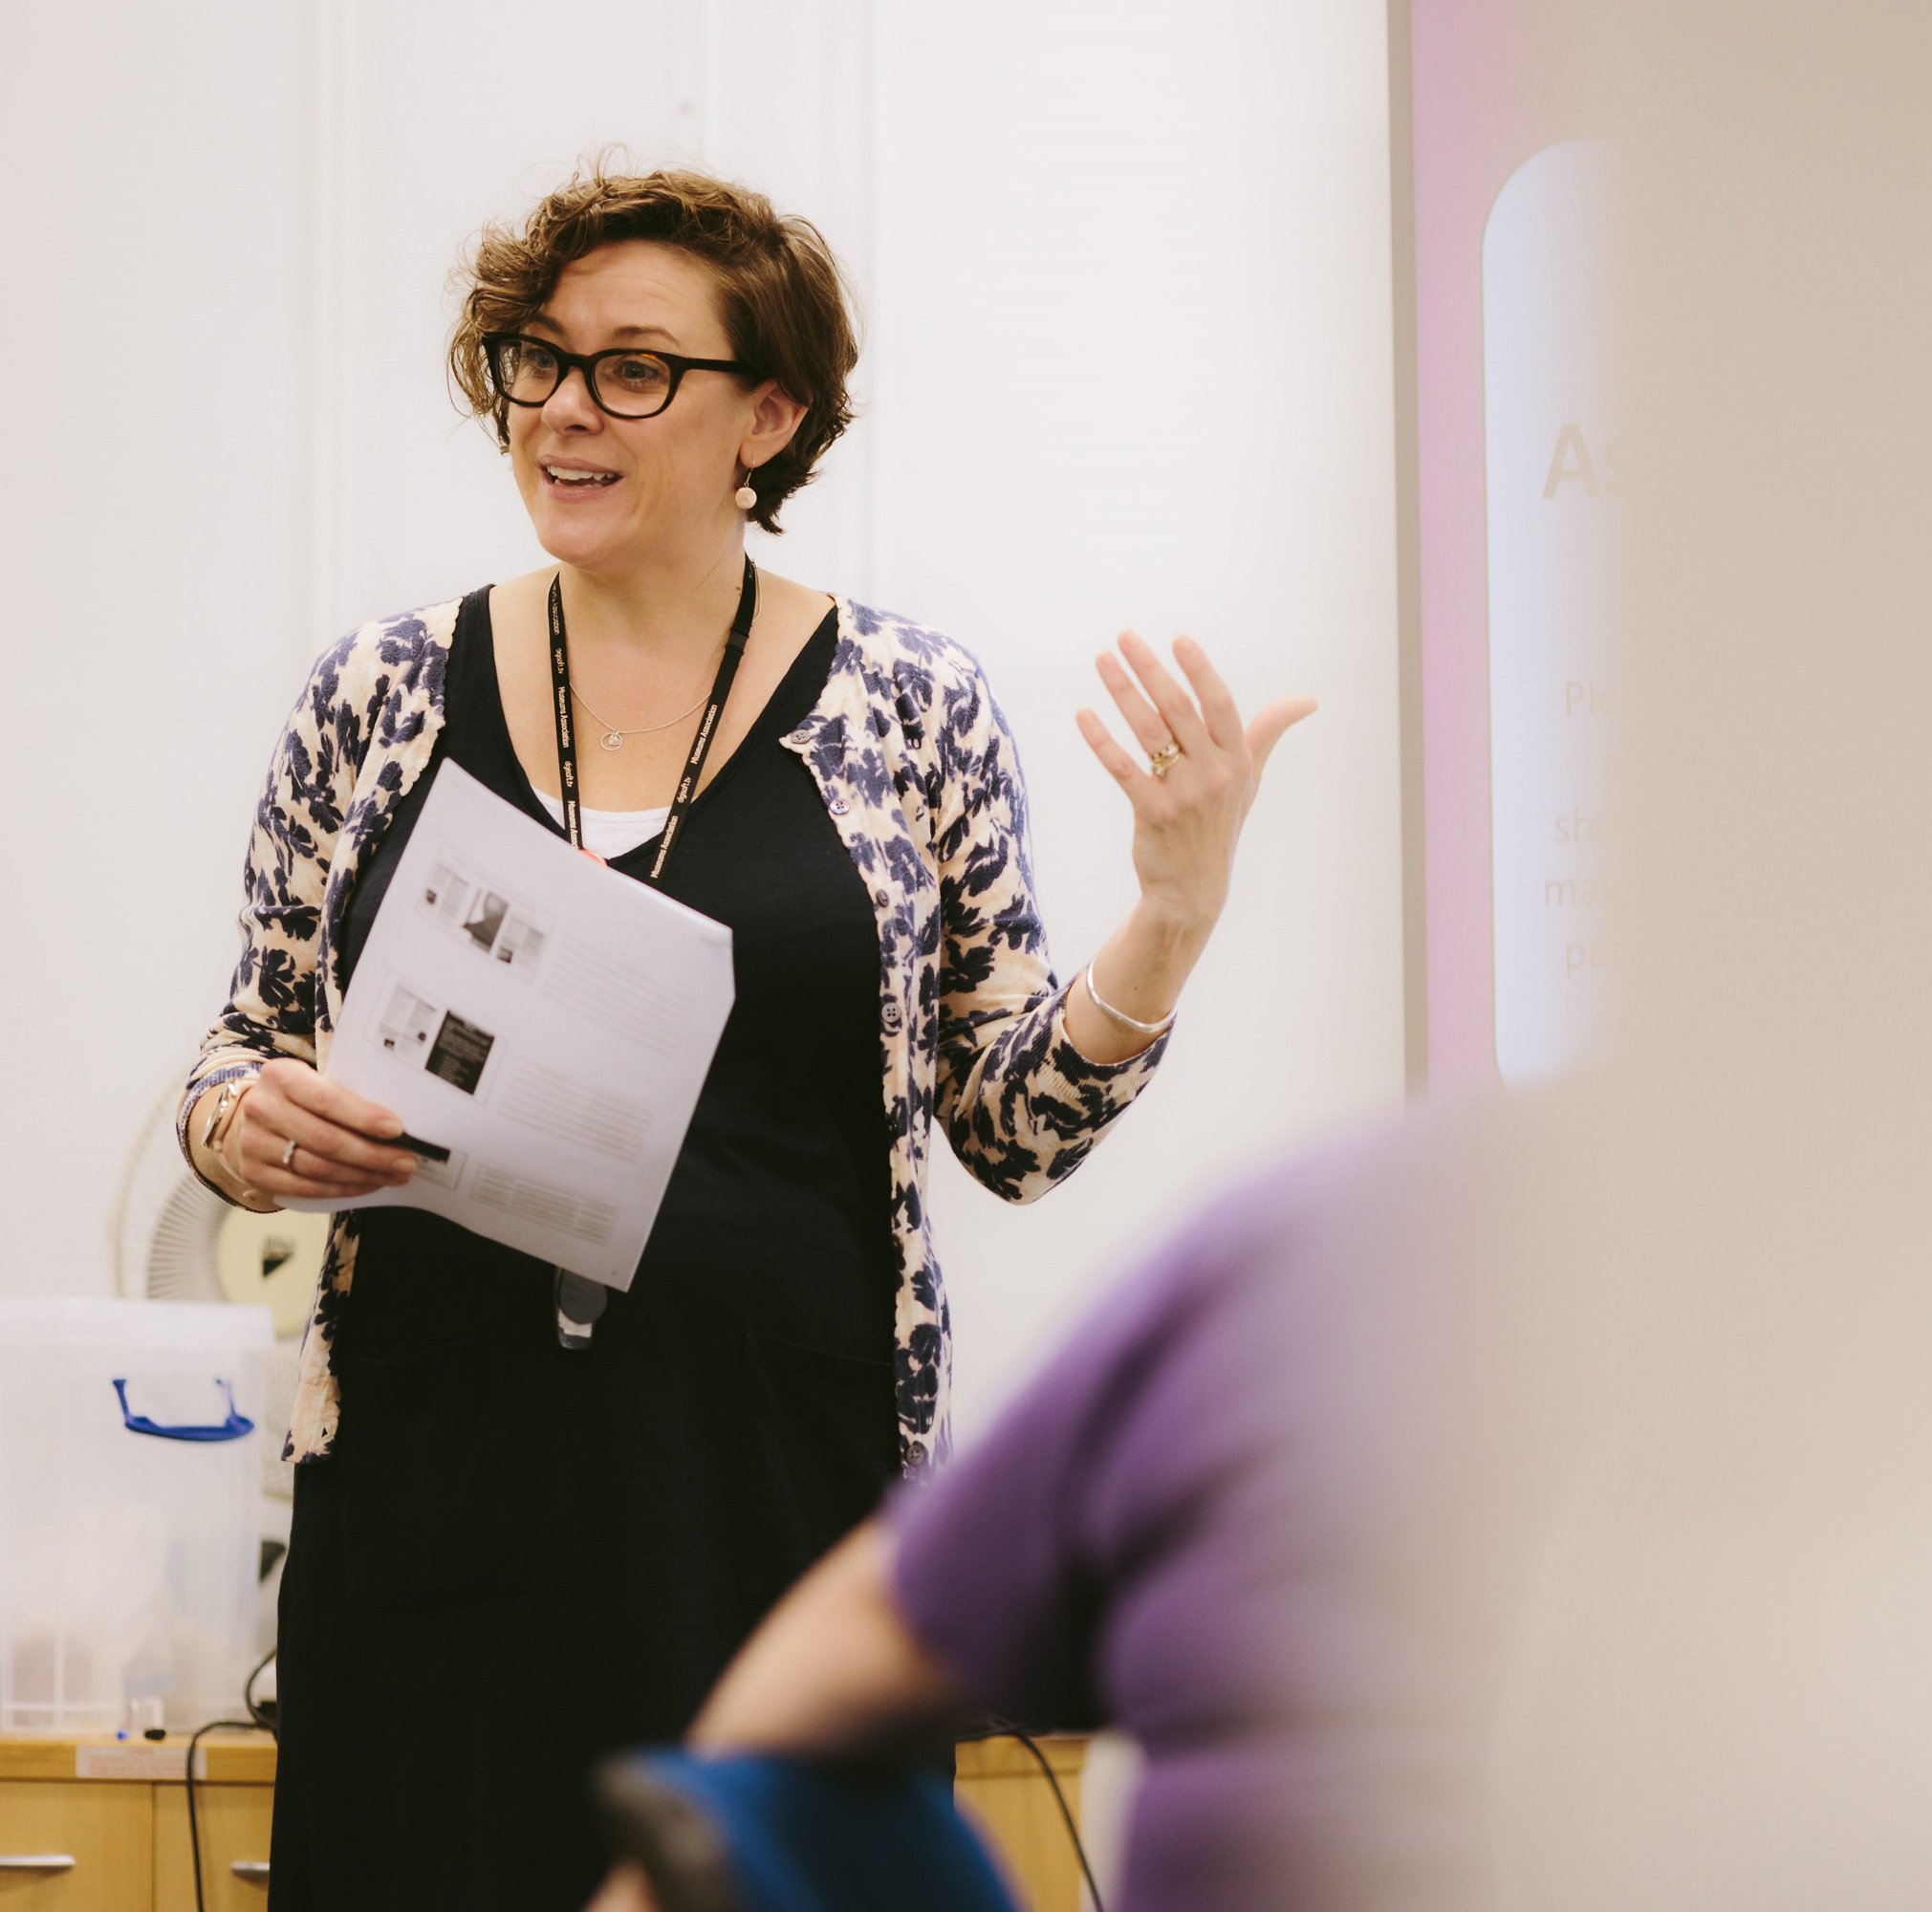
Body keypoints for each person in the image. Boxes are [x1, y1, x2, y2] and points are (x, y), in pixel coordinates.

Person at [174, 163, 1312, 1911]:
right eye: (532, 360)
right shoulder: (378, 694)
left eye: (634, 369)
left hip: (773, 1512)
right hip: (434, 1491)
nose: (563, 406)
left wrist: (1170, 918)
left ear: (766, 414)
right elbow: (238, 1049)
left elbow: (1012, 1132)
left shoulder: (906, 707)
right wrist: (249, 1126)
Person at [590, 1101, 1583, 1912]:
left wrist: (1167, 930)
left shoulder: (1359, 1223)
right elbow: (871, 1631)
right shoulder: (1336, 1239)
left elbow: (1016, 1128)